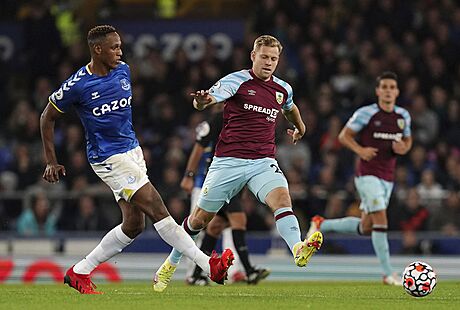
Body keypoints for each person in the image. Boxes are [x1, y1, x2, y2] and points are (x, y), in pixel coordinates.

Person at [40, 25, 234, 294]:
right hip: (108, 157)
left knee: (133, 225)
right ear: (97, 49)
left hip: (132, 151)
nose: (120, 52)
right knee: (157, 208)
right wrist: (51, 160)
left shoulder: (123, 71)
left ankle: (79, 271)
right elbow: (46, 117)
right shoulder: (78, 84)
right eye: (114, 47)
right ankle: (207, 264)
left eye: (120, 46)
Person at [153, 34, 323, 292]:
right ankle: (170, 263)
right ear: (253, 56)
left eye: (273, 58)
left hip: (262, 162)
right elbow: (208, 99)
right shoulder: (237, 80)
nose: (268, 62)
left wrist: (300, 128)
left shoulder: (282, 88)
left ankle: (298, 247)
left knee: (282, 200)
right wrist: (201, 100)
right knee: (198, 221)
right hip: (228, 163)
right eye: (264, 56)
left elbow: (290, 107)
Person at [307, 71, 412, 285]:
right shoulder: (367, 113)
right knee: (381, 219)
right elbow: (344, 136)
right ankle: (388, 274)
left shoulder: (403, 116)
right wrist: (360, 150)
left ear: (397, 91)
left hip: (388, 177)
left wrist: (404, 147)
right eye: (384, 87)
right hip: (367, 175)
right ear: (377, 91)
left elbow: (408, 140)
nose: (388, 91)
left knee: (367, 227)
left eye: (392, 87)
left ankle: (320, 224)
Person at [180, 108, 270, 285]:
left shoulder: (246, 121)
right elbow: (199, 147)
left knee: (215, 227)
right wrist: (189, 176)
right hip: (218, 178)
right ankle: (249, 270)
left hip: (232, 179)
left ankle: (196, 274)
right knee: (234, 221)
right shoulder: (217, 119)